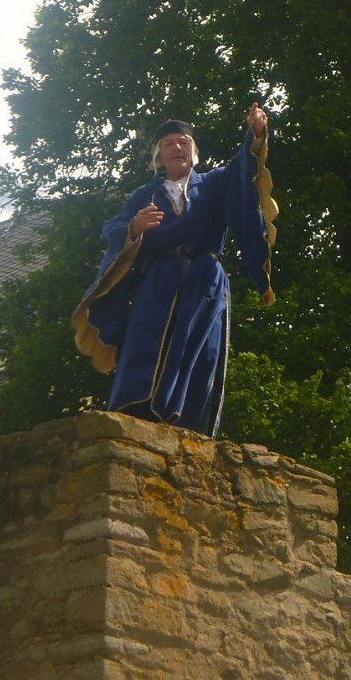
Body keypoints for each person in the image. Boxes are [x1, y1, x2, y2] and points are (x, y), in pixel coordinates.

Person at [72, 102, 277, 437]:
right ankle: (132, 415)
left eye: (183, 142)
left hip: (205, 278)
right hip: (158, 279)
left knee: (196, 350)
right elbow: (113, 228)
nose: (176, 147)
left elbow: (244, 167)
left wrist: (255, 134)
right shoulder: (143, 195)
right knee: (144, 343)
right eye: (169, 143)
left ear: (193, 152)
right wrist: (135, 227)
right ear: (159, 156)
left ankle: (186, 423)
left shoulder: (212, 184)